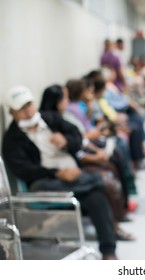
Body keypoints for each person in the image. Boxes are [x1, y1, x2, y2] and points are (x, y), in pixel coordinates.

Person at [2, 86, 118, 260]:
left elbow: (78, 137)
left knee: (96, 196)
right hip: (46, 179)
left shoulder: (50, 119)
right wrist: (57, 173)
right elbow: (24, 170)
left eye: (29, 105)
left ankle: (108, 251)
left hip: (75, 176)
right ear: (12, 112)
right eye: (21, 108)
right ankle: (96, 180)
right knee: (83, 185)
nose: (28, 110)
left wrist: (66, 142)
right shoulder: (13, 139)